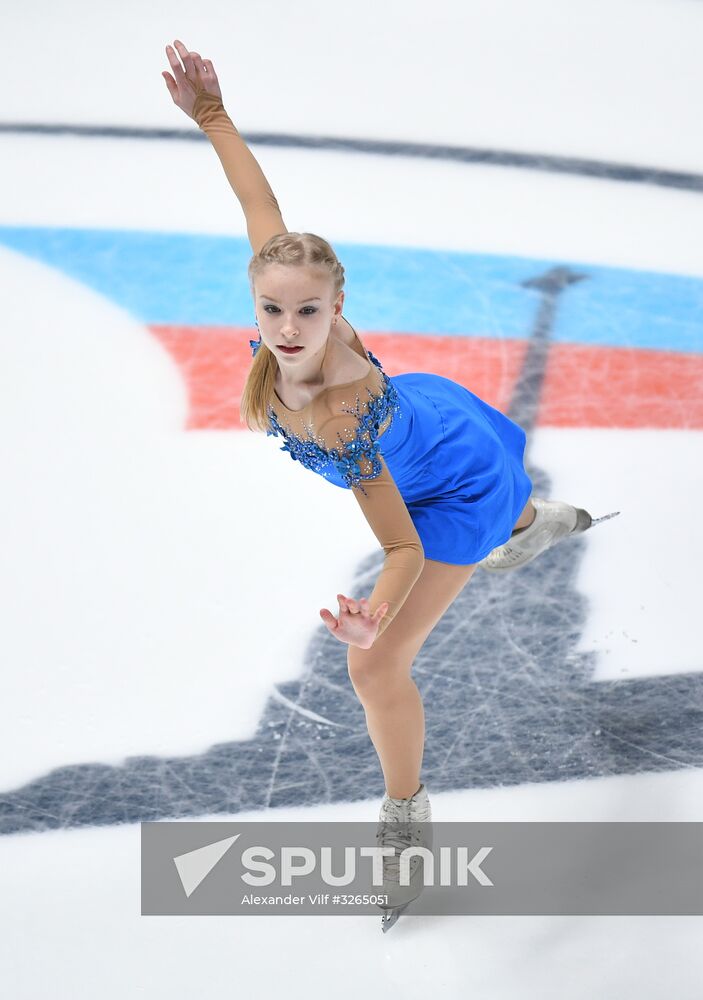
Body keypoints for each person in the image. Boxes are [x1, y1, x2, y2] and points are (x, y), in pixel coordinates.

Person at [162, 39, 600, 923]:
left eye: (310, 311)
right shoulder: (286, 302)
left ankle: (405, 818)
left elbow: (400, 540)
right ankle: (529, 519)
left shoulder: (339, 415)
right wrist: (212, 117)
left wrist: (372, 617)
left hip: (442, 483)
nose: (288, 328)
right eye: (273, 308)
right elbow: (263, 208)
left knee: (377, 668)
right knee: (508, 516)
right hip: (434, 426)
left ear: (339, 306)